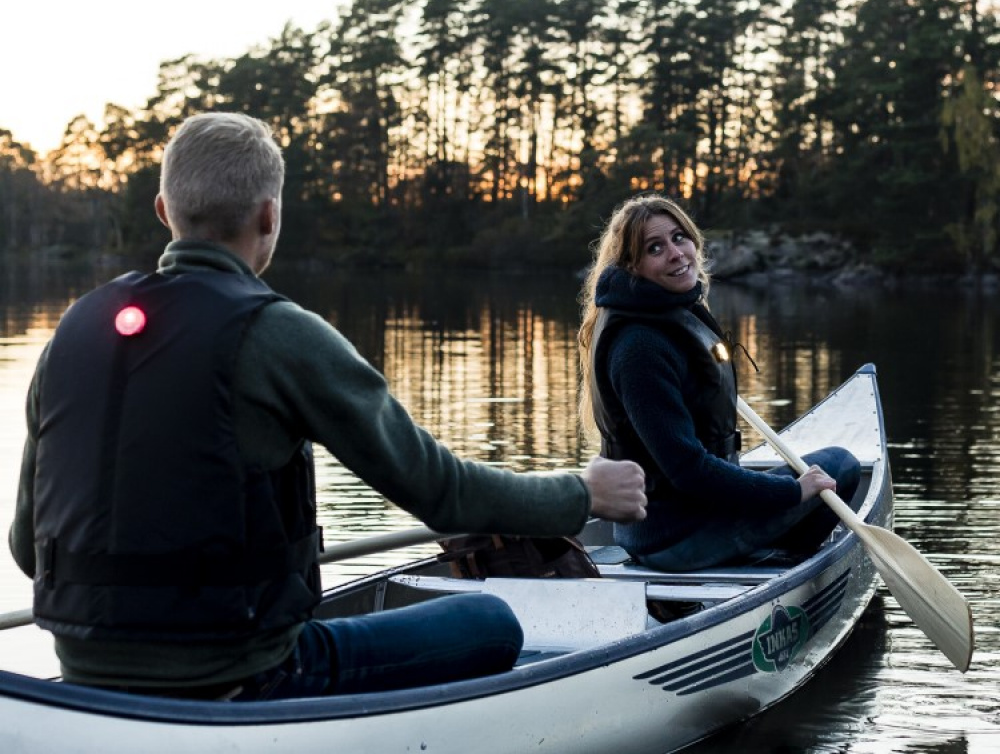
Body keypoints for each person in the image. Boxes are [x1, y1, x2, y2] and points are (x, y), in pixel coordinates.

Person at [8, 112, 647, 700]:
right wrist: (582, 493)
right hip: (247, 675)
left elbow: (29, 550)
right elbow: (442, 493)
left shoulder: (73, 331)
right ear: (268, 216)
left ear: (161, 211)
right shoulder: (278, 333)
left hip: (85, 672)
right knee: (489, 621)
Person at [577, 193, 860, 573]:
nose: (676, 253)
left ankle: (764, 549)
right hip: (672, 538)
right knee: (839, 466)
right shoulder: (639, 347)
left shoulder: (671, 314)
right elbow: (689, 470)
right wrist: (793, 491)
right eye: (654, 248)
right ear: (633, 267)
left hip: (690, 515)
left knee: (818, 471)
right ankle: (777, 559)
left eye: (680, 238)